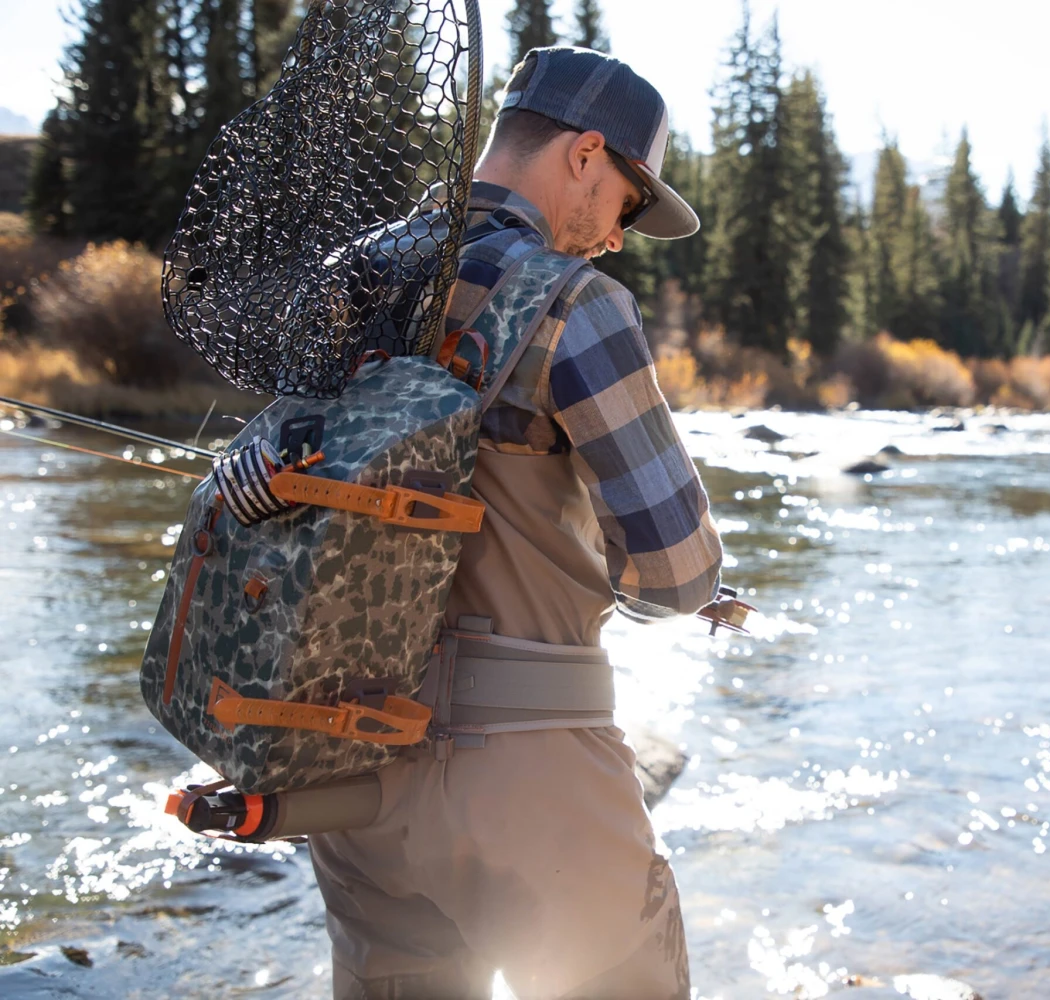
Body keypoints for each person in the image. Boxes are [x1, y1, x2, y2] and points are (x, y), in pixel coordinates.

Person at [309, 47, 723, 1000]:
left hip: (346, 755)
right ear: (585, 155)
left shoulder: (354, 277)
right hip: (527, 773)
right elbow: (675, 575)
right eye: (626, 200)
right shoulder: (581, 306)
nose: (617, 236)